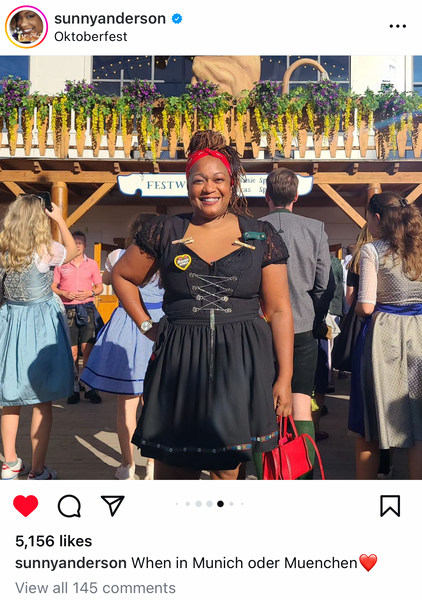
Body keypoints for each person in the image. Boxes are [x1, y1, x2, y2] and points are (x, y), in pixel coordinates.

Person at [112, 130, 294, 480]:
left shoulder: (260, 234)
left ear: (232, 183)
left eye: (218, 179)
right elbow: (122, 276)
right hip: (178, 361)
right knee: (172, 471)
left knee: (227, 471)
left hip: (240, 362)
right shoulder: (165, 230)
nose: (208, 188)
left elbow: (279, 310)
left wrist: (284, 377)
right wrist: (147, 325)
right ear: (187, 185)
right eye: (199, 180)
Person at [260, 167, 334, 477]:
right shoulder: (315, 229)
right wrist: (313, 315)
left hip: (261, 327)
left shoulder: (250, 227)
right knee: (302, 403)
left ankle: (267, 472)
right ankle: (302, 476)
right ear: (296, 196)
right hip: (302, 325)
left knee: (261, 406)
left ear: (266, 197)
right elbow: (325, 284)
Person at [80, 214, 164, 480]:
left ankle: (127, 466)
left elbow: (106, 280)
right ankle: (152, 464)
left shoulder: (118, 256)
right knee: (154, 403)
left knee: (125, 405)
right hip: (158, 326)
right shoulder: (166, 257)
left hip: (126, 325)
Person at [0, 195, 77, 480]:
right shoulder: (47, 250)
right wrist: (60, 220)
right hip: (40, 327)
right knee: (42, 400)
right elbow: (72, 250)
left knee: (9, 398)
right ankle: (38, 470)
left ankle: (9, 463)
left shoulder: (4, 249)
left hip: (9, 321)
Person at [354, 191, 422, 480]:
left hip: (385, 336)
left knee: (370, 421)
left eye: (368, 216)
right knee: (419, 425)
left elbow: (366, 307)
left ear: (378, 218)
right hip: (419, 331)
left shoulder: (372, 251)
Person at [52, 231, 104, 405]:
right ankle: (74, 388)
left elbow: (100, 287)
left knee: (87, 349)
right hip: (68, 309)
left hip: (87, 308)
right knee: (72, 352)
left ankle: (89, 387)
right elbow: (53, 286)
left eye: (81, 242)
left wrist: (90, 292)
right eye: (75, 242)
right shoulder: (61, 264)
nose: (78, 245)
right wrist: (64, 292)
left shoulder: (92, 264)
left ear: (85, 245)